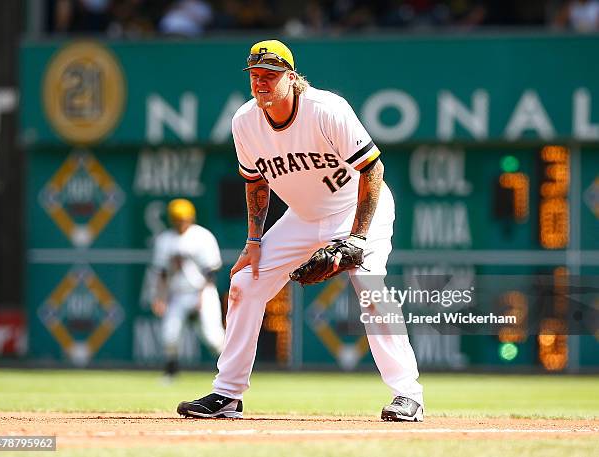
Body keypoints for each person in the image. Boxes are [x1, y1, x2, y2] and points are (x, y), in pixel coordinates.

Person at [177, 40, 424, 421]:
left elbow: (372, 170)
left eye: (271, 75)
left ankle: (408, 395)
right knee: (244, 283)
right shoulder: (244, 121)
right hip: (303, 217)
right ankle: (227, 395)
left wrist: (357, 237)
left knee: (370, 288)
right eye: (255, 76)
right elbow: (255, 182)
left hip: (354, 209)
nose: (261, 83)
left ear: (292, 78)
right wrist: (253, 241)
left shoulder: (326, 110)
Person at [151, 198, 225, 380]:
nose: (180, 222)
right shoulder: (165, 240)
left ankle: (231, 371)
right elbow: (162, 273)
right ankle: (171, 372)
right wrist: (160, 297)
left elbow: (211, 272)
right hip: (178, 293)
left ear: (191, 218)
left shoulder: (202, 236)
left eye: (183, 218)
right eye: (177, 218)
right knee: (169, 334)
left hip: (202, 291)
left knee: (213, 337)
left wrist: (202, 296)